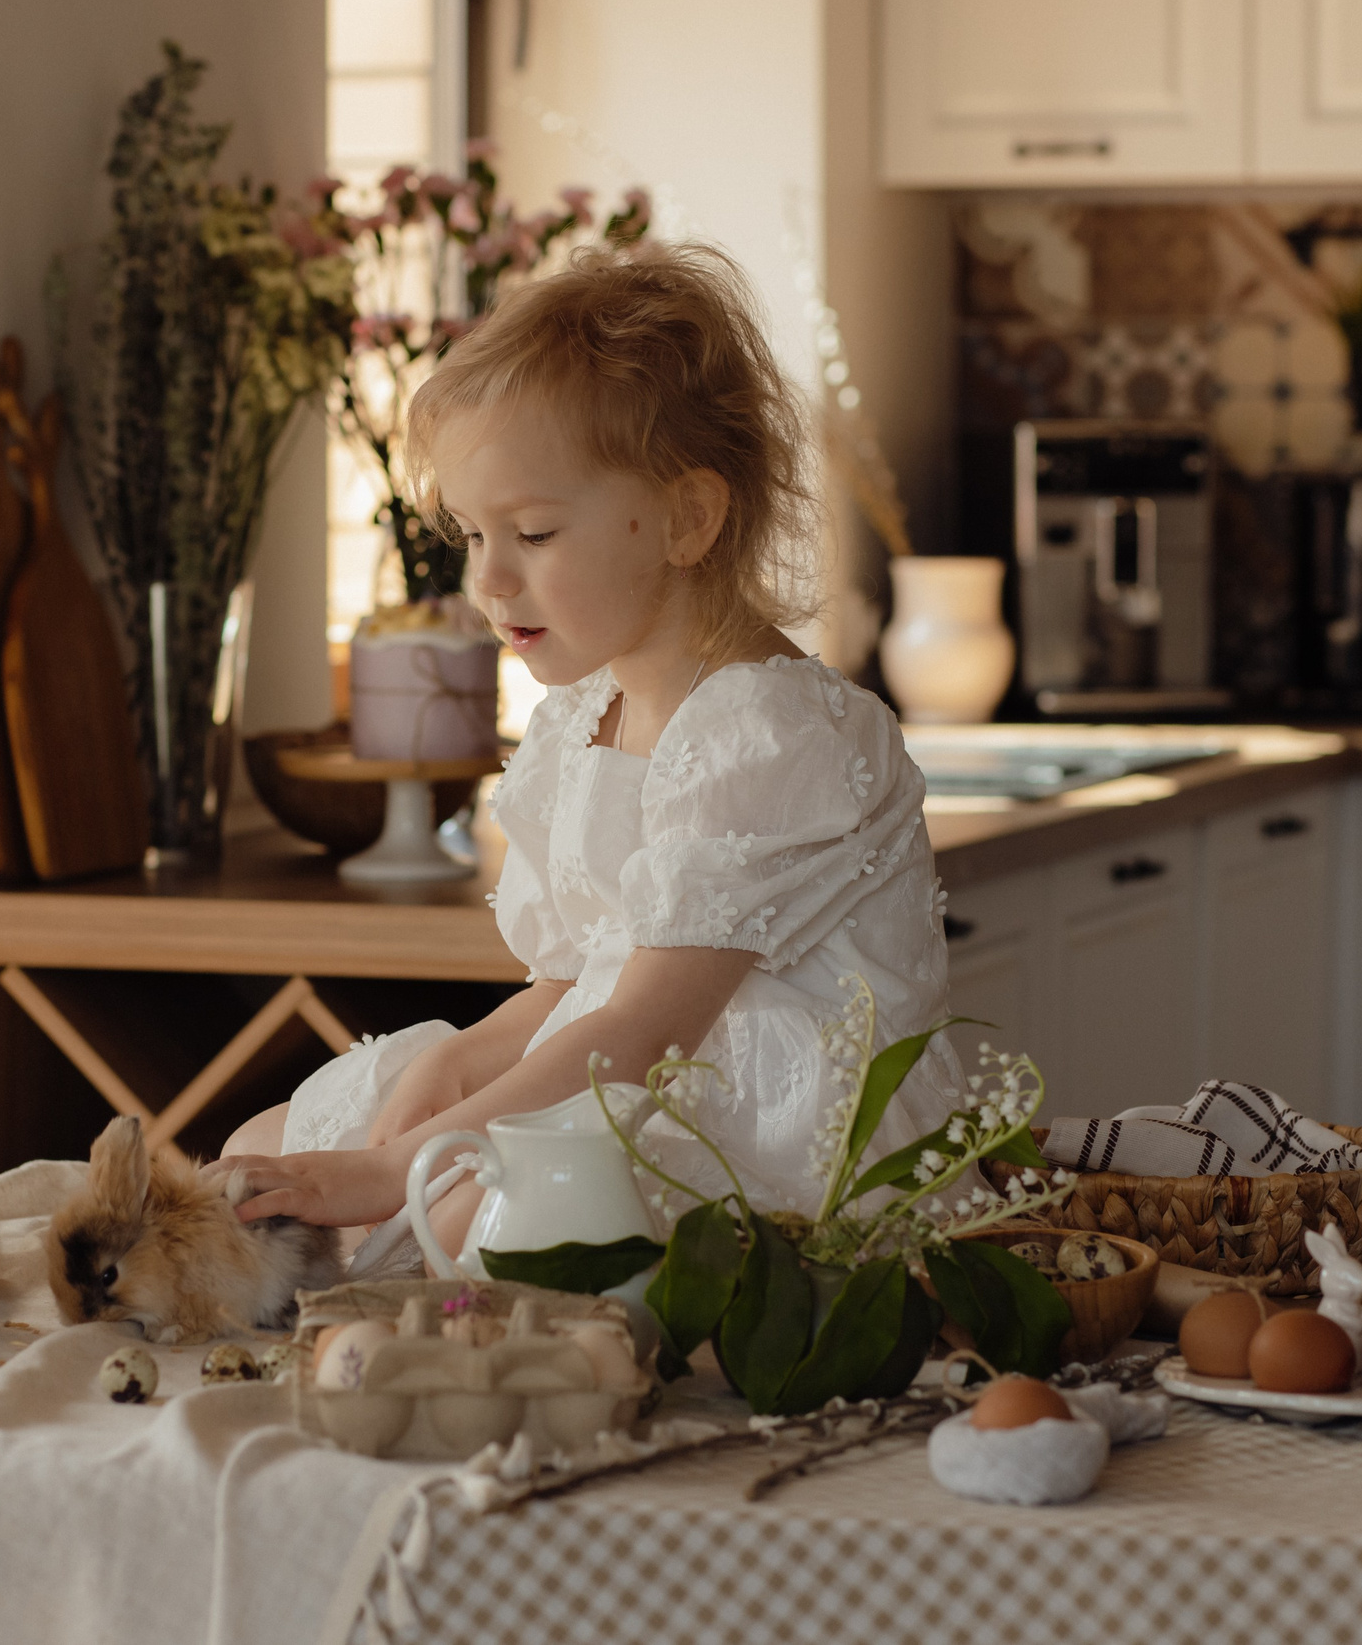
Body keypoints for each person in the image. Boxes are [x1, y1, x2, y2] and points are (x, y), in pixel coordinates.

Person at [220, 241, 960, 1255]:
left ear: (684, 519)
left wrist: (400, 1166)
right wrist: (466, 1063)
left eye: (530, 535)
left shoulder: (772, 733)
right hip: (617, 1066)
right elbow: (585, 984)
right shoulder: (587, 710)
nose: (487, 582)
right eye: (471, 537)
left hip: (757, 1120)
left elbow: (646, 1029)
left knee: (480, 1215)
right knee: (274, 1137)